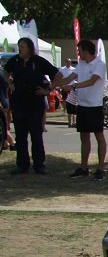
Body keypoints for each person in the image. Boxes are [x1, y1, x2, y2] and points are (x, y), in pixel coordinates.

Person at [3, 38, 66, 174]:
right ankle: (22, 164)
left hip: (34, 103)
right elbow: (5, 71)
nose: (20, 49)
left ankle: (39, 165)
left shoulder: (38, 61)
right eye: (19, 46)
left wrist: (49, 89)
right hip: (19, 103)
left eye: (23, 46)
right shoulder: (15, 61)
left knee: (36, 136)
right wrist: (10, 84)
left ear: (30, 48)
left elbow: (58, 75)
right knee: (20, 136)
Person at [57, 39, 108, 180]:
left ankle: (101, 168)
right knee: (84, 137)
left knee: (99, 136)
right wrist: (55, 83)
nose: (78, 53)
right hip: (83, 106)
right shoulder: (81, 64)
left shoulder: (99, 64)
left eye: (79, 51)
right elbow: (69, 78)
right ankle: (84, 168)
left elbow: (92, 81)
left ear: (86, 50)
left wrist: (73, 86)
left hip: (95, 107)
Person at [59, 58, 78, 127]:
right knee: (65, 99)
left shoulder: (73, 69)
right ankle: (65, 110)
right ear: (65, 62)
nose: (69, 63)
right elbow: (60, 78)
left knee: (72, 100)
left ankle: (73, 121)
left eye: (70, 62)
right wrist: (61, 85)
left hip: (71, 86)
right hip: (65, 86)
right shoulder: (62, 69)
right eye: (67, 62)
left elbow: (76, 77)